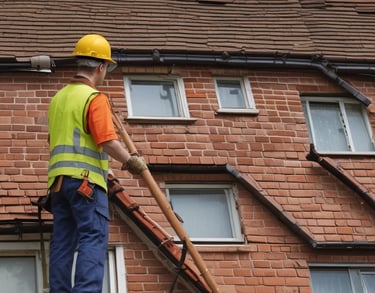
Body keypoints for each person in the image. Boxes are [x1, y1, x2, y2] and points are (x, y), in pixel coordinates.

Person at [47, 34, 147, 293]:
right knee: (93, 238)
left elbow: (70, 139)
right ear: (101, 66)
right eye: (107, 69)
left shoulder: (58, 99)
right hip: (86, 185)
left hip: (58, 186)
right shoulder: (94, 97)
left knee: (62, 243)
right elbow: (107, 141)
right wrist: (132, 162)